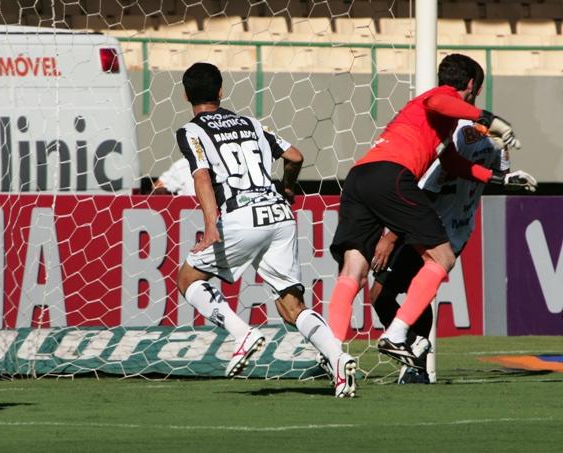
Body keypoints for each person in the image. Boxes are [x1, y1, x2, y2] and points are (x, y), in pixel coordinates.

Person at [326, 54, 524, 368]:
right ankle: (398, 335)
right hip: (391, 176)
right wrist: (489, 118)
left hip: (359, 177)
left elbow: (452, 163)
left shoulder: (437, 121)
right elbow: (439, 103)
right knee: (441, 258)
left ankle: (331, 352)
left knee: (353, 269)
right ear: (471, 85)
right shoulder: (438, 98)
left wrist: (498, 177)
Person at [175, 62, 357, 398]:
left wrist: (210, 226)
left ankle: (241, 333)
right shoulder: (250, 123)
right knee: (290, 305)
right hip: (278, 215)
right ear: (220, 91)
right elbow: (295, 156)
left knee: (188, 278)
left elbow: (201, 176)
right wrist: (287, 189)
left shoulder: (191, 131)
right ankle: (338, 358)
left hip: (240, 216)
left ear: (186, 95)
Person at [369, 64, 537, 383]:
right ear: (473, 85)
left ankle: (415, 353)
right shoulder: (497, 133)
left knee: (381, 294)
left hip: (425, 225)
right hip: (458, 231)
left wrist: (390, 235)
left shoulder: (449, 128)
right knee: (416, 294)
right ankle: (416, 358)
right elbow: (498, 173)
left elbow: (425, 187)